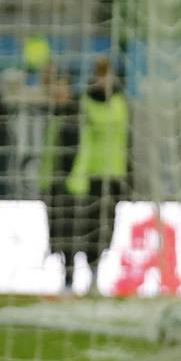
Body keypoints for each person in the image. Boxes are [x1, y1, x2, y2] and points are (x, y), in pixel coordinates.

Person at [64, 56, 128, 292]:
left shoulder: (120, 102)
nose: (105, 80)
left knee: (105, 228)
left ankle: (94, 276)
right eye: (101, 75)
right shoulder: (84, 102)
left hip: (113, 175)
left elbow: (126, 140)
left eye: (108, 75)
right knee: (80, 226)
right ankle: (70, 278)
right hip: (86, 175)